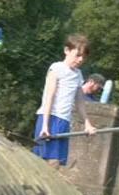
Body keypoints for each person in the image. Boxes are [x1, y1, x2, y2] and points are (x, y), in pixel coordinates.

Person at [33, 34, 97, 167]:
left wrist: (87, 124)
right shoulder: (56, 68)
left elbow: (80, 102)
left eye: (83, 57)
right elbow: (49, 97)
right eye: (77, 55)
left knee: (56, 163)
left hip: (64, 121)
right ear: (67, 50)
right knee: (42, 161)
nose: (80, 59)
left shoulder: (78, 75)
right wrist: (45, 125)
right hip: (50, 117)